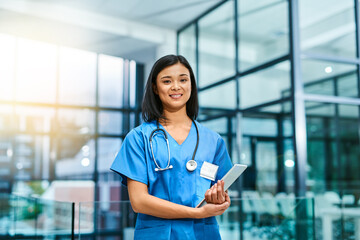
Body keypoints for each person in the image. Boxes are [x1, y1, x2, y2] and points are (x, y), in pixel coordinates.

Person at [110, 54, 233, 239]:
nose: (176, 86)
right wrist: (197, 213)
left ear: (191, 84)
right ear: (155, 88)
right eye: (167, 81)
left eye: (183, 79)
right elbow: (139, 202)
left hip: (203, 233)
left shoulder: (213, 140)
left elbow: (220, 192)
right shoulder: (138, 138)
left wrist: (220, 200)